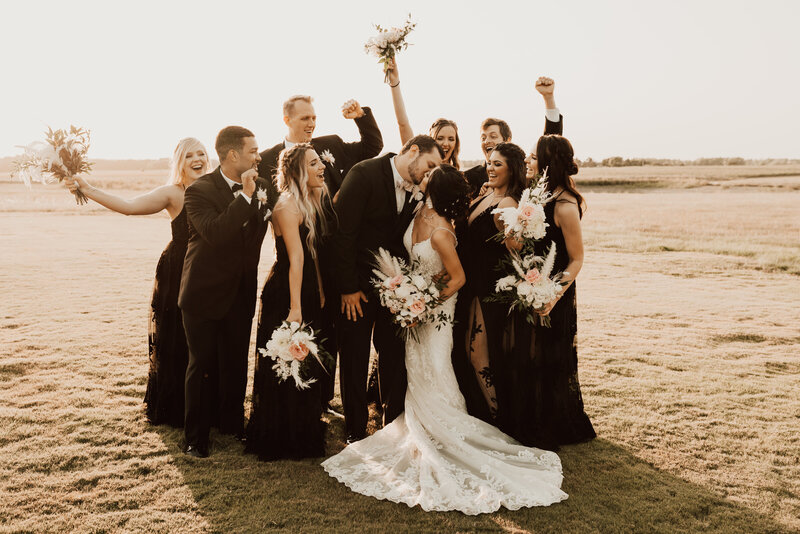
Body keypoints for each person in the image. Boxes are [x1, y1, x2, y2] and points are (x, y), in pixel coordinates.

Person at [322, 166, 567, 515]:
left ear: (434, 186)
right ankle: (420, 422)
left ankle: (444, 430)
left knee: (435, 367)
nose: (420, 178)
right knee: (415, 367)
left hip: (435, 311)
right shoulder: (421, 210)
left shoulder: (441, 232)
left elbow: (458, 278)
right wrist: (406, 295)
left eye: (426, 178)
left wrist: (421, 305)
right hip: (416, 303)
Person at [64, 138, 211, 427]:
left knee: (208, 341)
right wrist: (87, 188)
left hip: (211, 272)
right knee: (177, 336)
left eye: (201, 153)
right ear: (179, 162)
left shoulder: (218, 189)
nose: (197, 159)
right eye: (189, 155)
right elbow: (129, 206)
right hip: (177, 270)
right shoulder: (172, 193)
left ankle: (210, 408)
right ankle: (174, 408)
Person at [260, 96, 383, 414]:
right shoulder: (266, 160)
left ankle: (321, 399)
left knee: (326, 336)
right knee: (298, 337)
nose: (311, 123)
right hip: (294, 256)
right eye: (304, 118)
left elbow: (371, 147)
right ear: (287, 119)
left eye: (314, 117)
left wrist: (361, 117)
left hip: (328, 260)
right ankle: (293, 406)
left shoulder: (331, 144)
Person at [332, 135, 443, 444]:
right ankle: (355, 430)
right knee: (354, 357)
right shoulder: (364, 173)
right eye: (430, 164)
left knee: (392, 354)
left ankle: (391, 424)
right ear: (413, 151)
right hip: (356, 288)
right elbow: (343, 235)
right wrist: (348, 288)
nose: (430, 173)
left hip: (395, 290)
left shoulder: (419, 189)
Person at [178, 126, 277, 458]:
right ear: (233, 155)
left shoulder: (263, 186)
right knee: (201, 365)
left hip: (241, 291)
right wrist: (246, 197)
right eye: (253, 151)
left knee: (235, 362)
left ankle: (232, 425)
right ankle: (195, 438)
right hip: (203, 292)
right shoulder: (199, 191)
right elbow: (216, 233)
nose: (259, 156)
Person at [506, 135, 596, 450]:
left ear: (547, 163)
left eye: (533, 157)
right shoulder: (537, 195)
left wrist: (552, 293)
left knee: (551, 357)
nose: (528, 162)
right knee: (529, 355)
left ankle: (554, 424)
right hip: (530, 285)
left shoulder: (566, 205)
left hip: (555, 291)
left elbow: (577, 258)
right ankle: (529, 420)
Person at [245, 143, 332, 460]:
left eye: (320, 160)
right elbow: (295, 259)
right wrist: (295, 308)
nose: (321, 166)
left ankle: (303, 428)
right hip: (287, 290)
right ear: (297, 171)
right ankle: (282, 435)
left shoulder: (312, 199)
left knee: (305, 358)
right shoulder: (287, 206)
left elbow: (314, 254)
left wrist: (321, 288)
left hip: (308, 286)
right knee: (286, 359)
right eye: (313, 163)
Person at [451, 142, 529, 426]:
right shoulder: (486, 195)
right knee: (468, 352)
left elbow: (516, 247)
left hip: (489, 289)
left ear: (512, 170)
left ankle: (499, 420)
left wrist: (519, 222)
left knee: (480, 356)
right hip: (471, 286)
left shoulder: (507, 204)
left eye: (498, 164)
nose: (491, 168)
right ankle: (482, 414)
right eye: (490, 162)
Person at [463, 78, 563, 196]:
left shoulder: (525, 171)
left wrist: (548, 98)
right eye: (483, 137)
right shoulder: (470, 177)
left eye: (493, 136)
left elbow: (548, 145)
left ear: (507, 140)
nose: (487, 141)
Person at [383, 58, 462, 168]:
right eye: (440, 138)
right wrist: (394, 82)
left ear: (456, 144)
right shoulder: (417, 164)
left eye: (451, 139)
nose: (445, 143)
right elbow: (403, 124)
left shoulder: (459, 177)